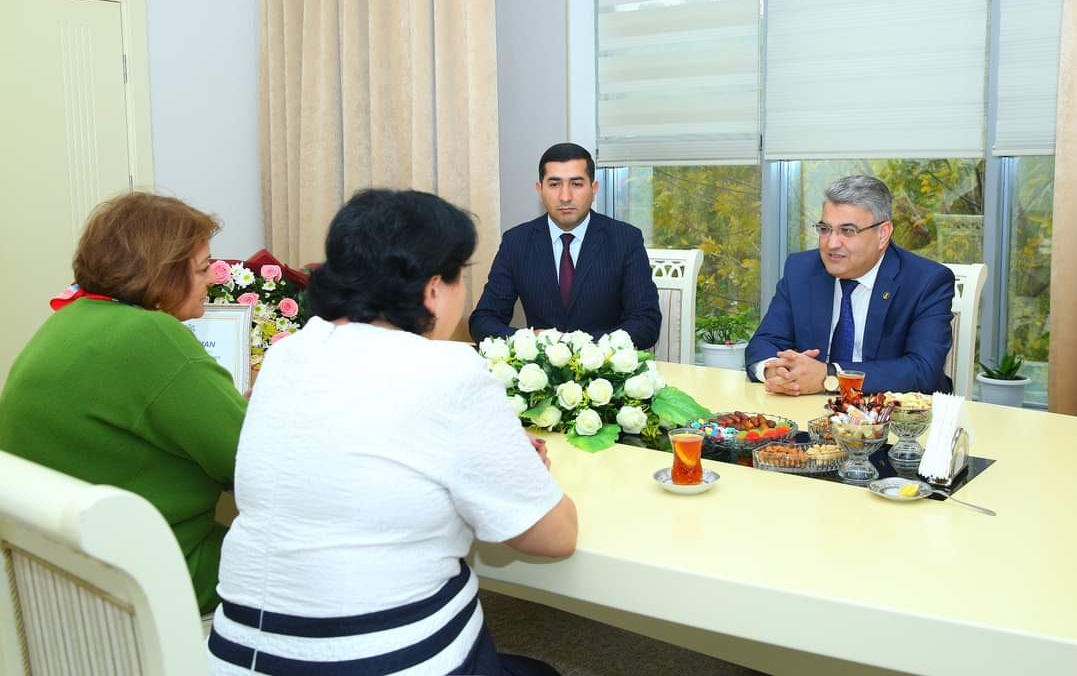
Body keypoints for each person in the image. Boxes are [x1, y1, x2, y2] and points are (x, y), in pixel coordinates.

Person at [209, 189, 577, 676]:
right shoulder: (449, 370)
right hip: (375, 661)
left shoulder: (286, 355)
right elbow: (554, 537)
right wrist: (517, 465)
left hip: (238, 657)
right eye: (459, 276)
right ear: (433, 289)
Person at [0, 192, 246, 614]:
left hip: (63, 580)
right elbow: (254, 457)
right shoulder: (150, 337)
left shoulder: (68, 320)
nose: (212, 280)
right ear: (164, 272)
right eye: (203, 269)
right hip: (157, 575)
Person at [745, 175, 954, 395]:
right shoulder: (801, 270)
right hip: (808, 407)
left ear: (883, 234)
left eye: (847, 231)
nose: (832, 243)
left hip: (889, 411)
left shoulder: (926, 281)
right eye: (825, 229)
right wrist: (776, 372)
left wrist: (830, 376)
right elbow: (765, 342)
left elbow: (923, 371)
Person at [469, 142, 661, 349]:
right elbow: (483, 320)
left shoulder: (626, 239)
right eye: (554, 184)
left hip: (603, 365)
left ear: (594, 188)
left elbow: (646, 323)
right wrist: (530, 340)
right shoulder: (517, 241)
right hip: (539, 366)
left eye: (576, 184)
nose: (565, 197)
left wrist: (581, 347)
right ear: (540, 189)